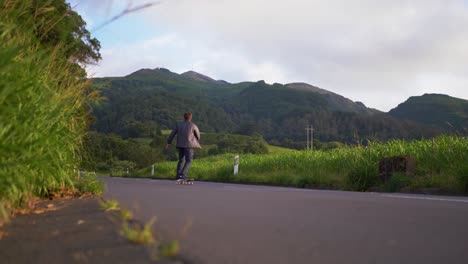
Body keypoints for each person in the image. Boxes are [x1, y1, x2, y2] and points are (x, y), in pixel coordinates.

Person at [166, 112, 201, 181]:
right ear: (190, 117)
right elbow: (198, 136)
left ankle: (178, 175)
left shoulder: (178, 124)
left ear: (184, 117)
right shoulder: (193, 125)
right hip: (189, 145)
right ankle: (182, 175)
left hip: (180, 145)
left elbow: (172, 134)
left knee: (181, 160)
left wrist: (169, 142)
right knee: (189, 160)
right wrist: (196, 140)